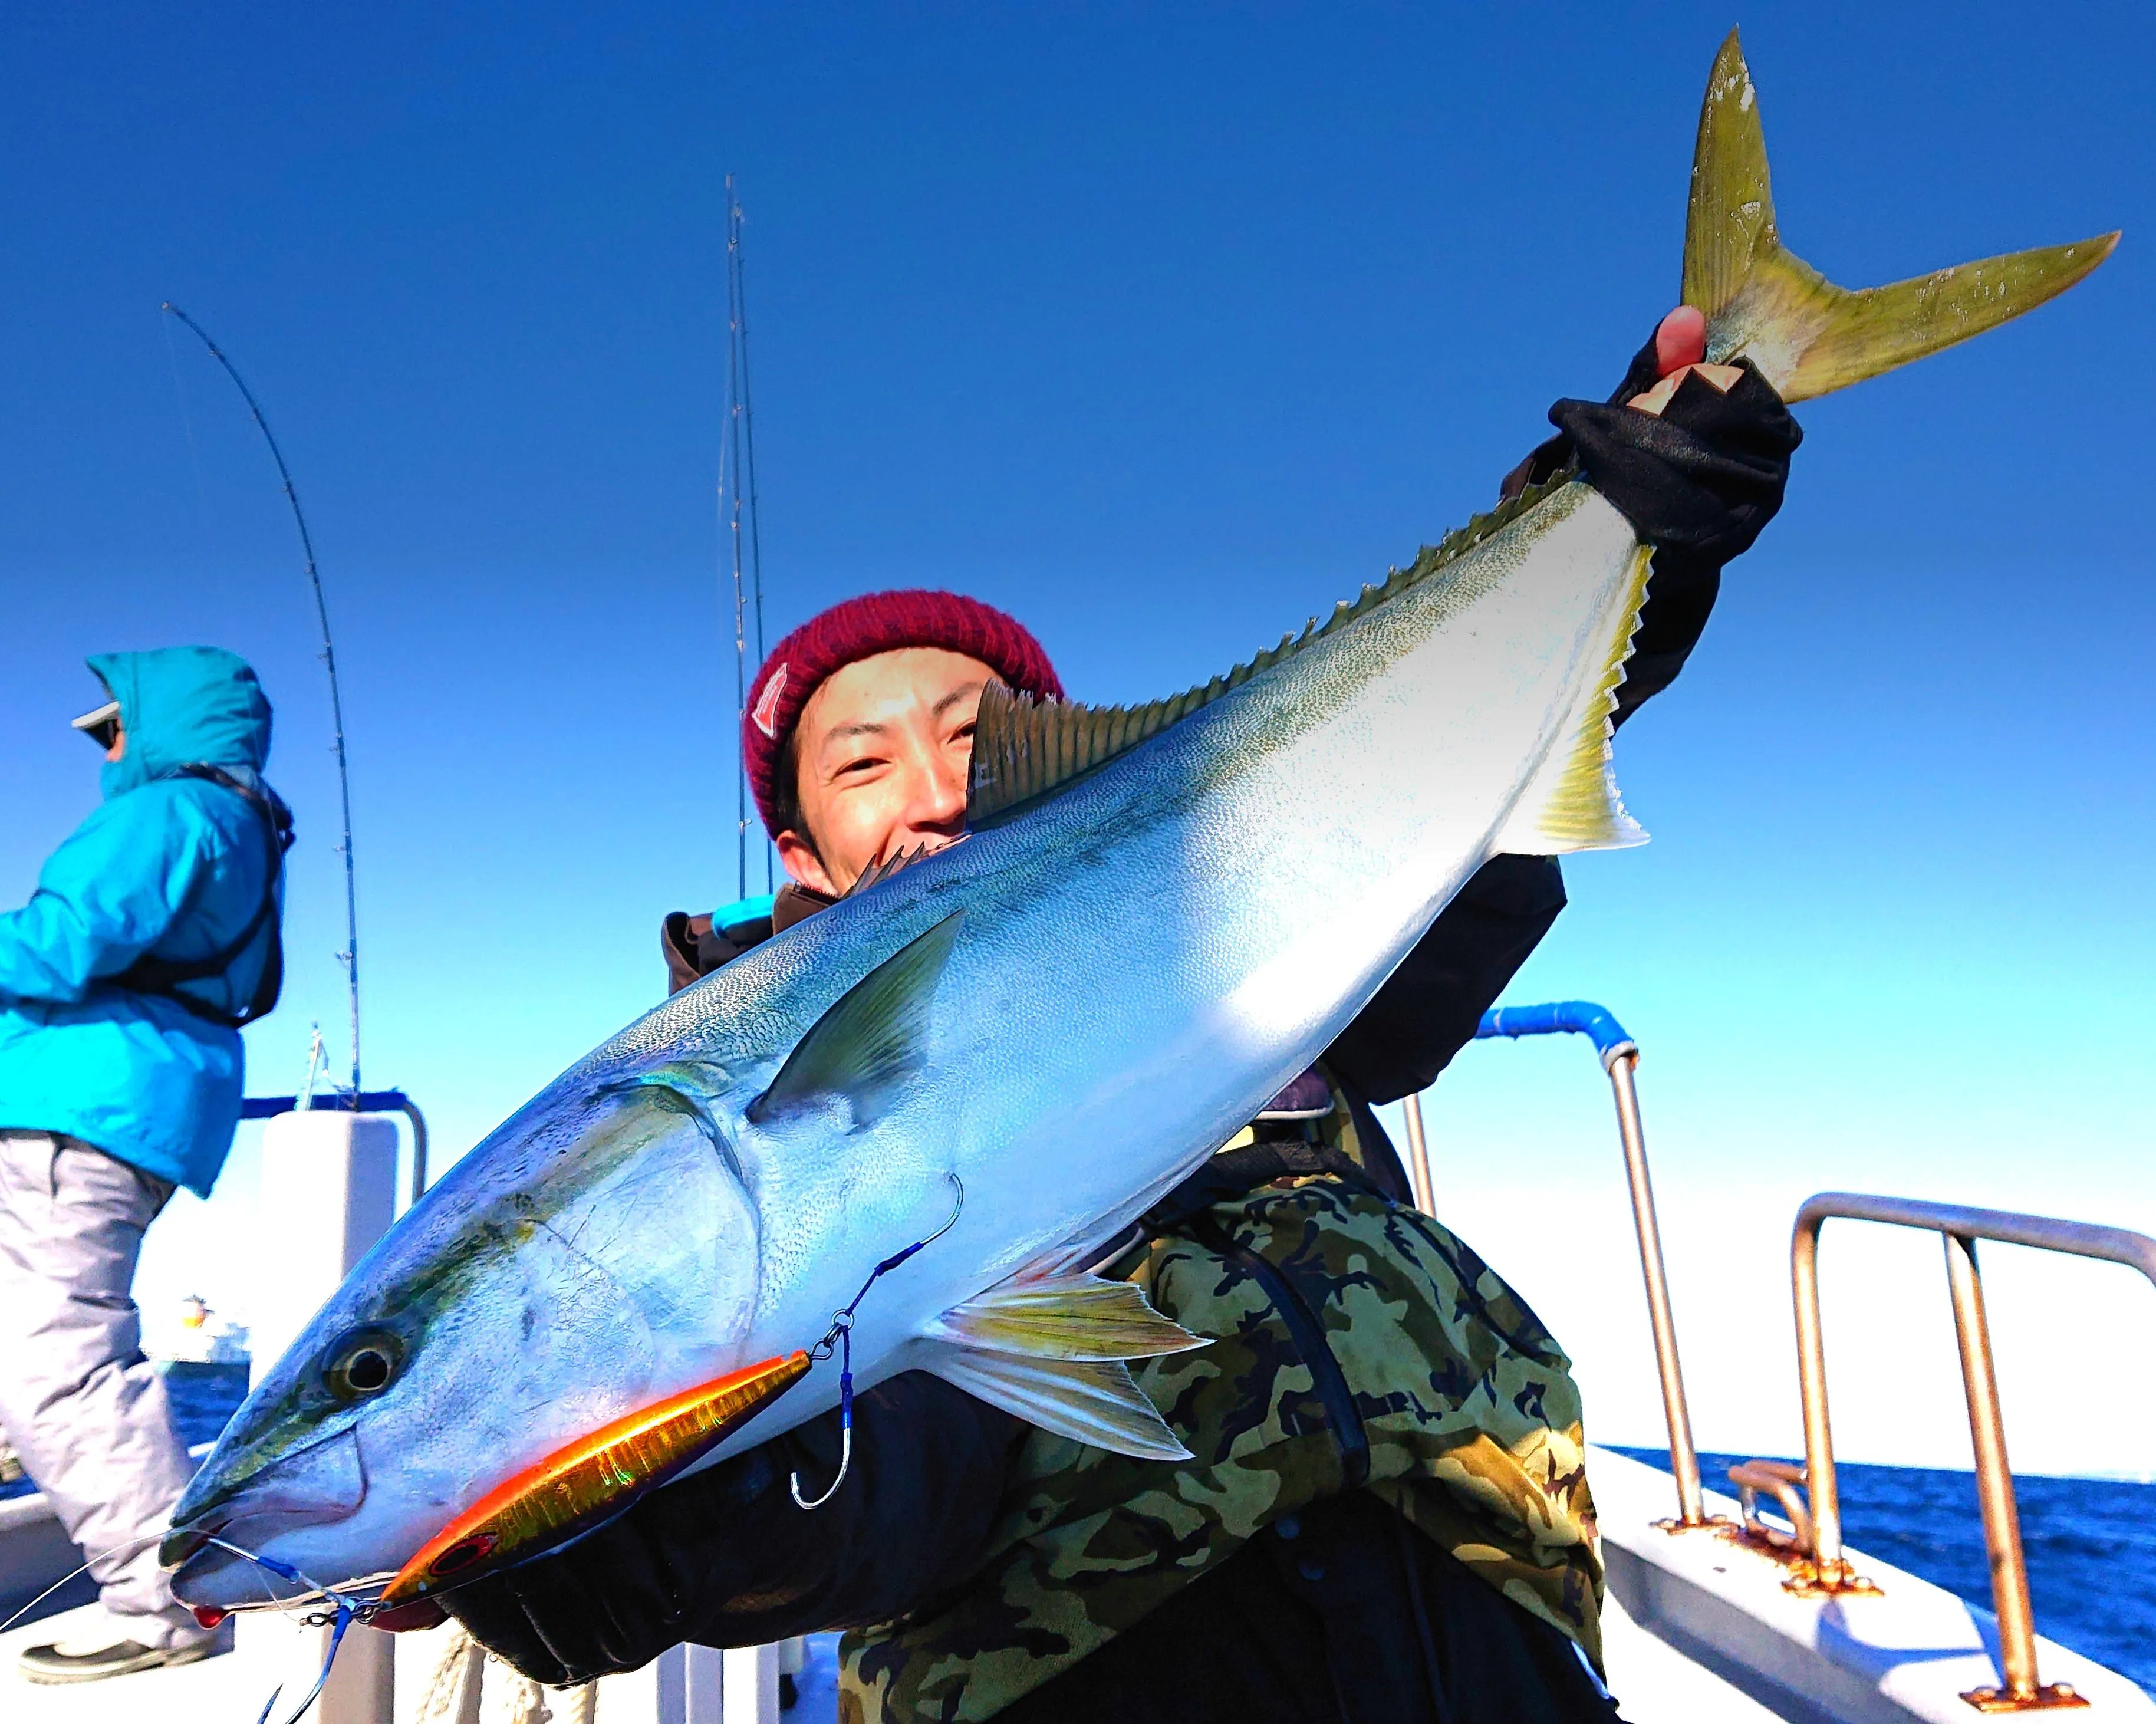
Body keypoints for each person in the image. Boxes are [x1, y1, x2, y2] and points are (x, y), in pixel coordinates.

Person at [442, 311, 1799, 1720]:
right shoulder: (756, 1139)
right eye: (861, 761)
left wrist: (1612, 541)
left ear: (1070, 751)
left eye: (976, 733)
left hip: (1475, 1588)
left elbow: (1433, 831)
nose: (937, 788)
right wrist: (661, 1532)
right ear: (799, 856)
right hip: (1095, 1669)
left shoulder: (1250, 939)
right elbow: (902, 1460)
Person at [0, 647, 292, 1684]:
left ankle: (167, 1604)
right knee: (37, 1352)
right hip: (124, 1104)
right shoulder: (235, 823)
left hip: (79, 1110)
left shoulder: (168, 811)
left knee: (56, 1358)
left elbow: (61, 943)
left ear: (166, 725)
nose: (106, 750)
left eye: (113, 728)